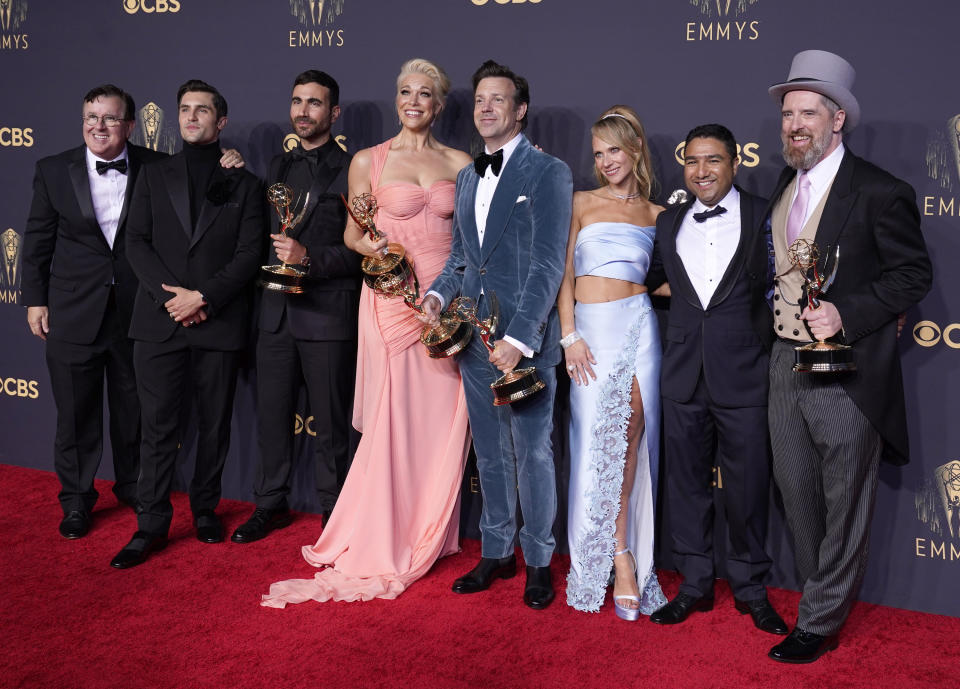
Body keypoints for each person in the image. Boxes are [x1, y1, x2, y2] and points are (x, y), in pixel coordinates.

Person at [261, 58, 472, 605]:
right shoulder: (369, 161)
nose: (413, 101)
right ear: (396, 98)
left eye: (425, 93)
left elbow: (469, 244)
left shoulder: (461, 162)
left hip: (443, 306)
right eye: (405, 91)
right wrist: (378, 251)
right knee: (391, 418)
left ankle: (428, 528)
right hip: (390, 301)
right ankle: (383, 531)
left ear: (439, 104)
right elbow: (354, 236)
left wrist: (451, 296)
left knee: (440, 420)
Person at [764, 50, 931, 663]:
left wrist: (848, 313)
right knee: (796, 490)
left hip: (846, 368)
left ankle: (819, 620)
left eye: (809, 112)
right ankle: (819, 597)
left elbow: (913, 273)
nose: (795, 124)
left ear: (839, 119)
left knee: (844, 495)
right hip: (784, 362)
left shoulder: (881, 191)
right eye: (788, 113)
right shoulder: (787, 181)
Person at [20, 84, 241, 540]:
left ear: (129, 124)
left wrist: (228, 161)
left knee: (134, 412)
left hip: (139, 312)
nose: (97, 126)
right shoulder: (52, 169)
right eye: (90, 117)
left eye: (109, 118)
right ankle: (77, 501)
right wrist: (36, 299)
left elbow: (199, 184)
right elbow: (37, 239)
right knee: (75, 413)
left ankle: (135, 489)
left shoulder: (158, 167)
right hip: (73, 310)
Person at [421, 59, 573, 610]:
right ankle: (496, 551)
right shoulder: (466, 176)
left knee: (533, 453)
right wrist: (438, 295)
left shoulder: (548, 172)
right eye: (480, 99)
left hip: (524, 342)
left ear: (520, 109)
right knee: (488, 453)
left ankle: (537, 561)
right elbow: (463, 258)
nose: (486, 108)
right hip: (473, 338)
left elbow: (548, 264)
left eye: (498, 100)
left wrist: (523, 337)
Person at [110, 79, 263, 569]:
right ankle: (150, 525)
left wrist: (205, 298)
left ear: (220, 122)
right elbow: (135, 242)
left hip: (217, 322)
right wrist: (172, 299)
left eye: (202, 110)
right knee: (156, 429)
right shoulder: (153, 174)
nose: (191, 117)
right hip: (159, 323)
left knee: (214, 425)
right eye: (184, 110)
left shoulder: (246, 182)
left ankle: (204, 510)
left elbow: (248, 255)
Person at [645, 124, 788, 636]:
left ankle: (751, 589)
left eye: (713, 161)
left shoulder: (764, 215)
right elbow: (654, 278)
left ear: (733, 163)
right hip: (682, 374)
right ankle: (694, 585)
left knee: (748, 488)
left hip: (745, 376)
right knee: (685, 485)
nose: (701, 172)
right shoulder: (669, 220)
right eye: (692, 162)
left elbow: (784, 282)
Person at [231, 70, 360, 544]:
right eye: (297, 102)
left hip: (327, 313)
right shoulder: (274, 167)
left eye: (314, 103)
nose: (303, 111)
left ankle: (335, 512)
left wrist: (311, 260)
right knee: (271, 418)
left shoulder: (355, 169)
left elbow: (362, 249)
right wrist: (229, 167)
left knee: (331, 425)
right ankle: (269, 504)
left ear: (334, 113)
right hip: (273, 315)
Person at [558, 106, 666, 620]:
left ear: (636, 149)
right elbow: (562, 274)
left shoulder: (659, 214)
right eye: (598, 153)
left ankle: (626, 553)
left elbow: (678, 281)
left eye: (614, 150)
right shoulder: (579, 201)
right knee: (595, 445)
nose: (605, 162)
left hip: (640, 327)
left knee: (631, 445)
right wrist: (569, 335)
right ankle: (607, 559)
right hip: (589, 332)